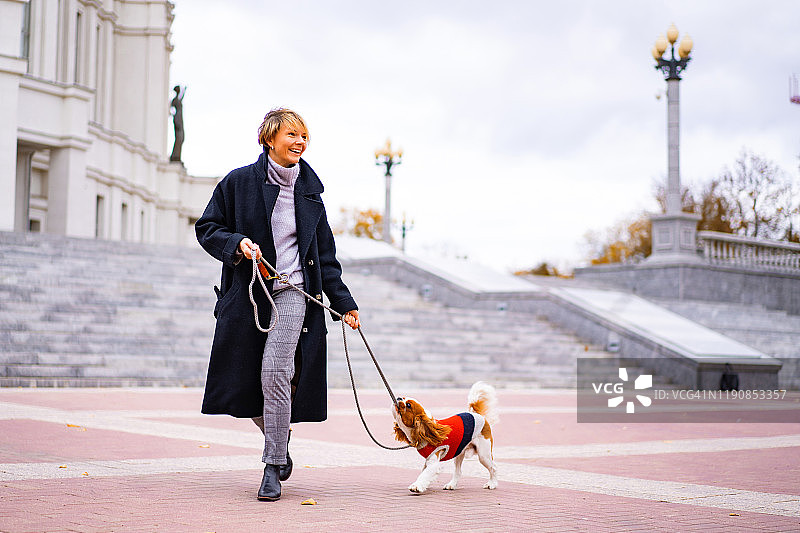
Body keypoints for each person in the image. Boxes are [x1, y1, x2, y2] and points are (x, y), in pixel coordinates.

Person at [195, 108, 361, 501]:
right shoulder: (238, 183)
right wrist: (236, 243)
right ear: (269, 138)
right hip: (248, 294)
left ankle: (271, 466)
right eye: (292, 134)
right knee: (247, 381)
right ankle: (279, 435)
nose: (300, 142)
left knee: (276, 371)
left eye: (305, 136)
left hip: (293, 293)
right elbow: (207, 228)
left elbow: (325, 256)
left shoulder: (310, 194)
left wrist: (344, 303)